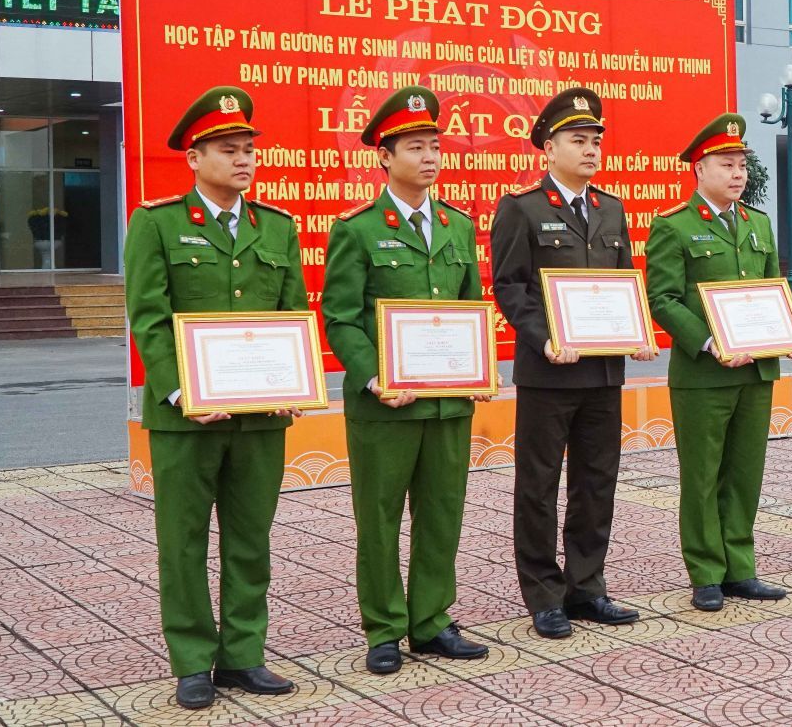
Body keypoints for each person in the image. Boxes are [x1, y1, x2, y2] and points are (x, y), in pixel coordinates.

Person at [125, 86, 304, 709]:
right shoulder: (157, 223)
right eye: (228, 149)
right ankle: (192, 661)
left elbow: (291, 314)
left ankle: (243, 655)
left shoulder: (276, 226)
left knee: (251, 539)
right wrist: (181, 391)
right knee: (183, 541)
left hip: (259, 416)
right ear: (194, 158)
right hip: (186, 417)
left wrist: (293, 381)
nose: (243, 159)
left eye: (248, 148)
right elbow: (149, 317)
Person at [322, 86, 491, 675]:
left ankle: (432, 620)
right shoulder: (359, 229)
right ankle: (384, 628)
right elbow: (340, 317)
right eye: (415, 146)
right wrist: (373, 377)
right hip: (385, 405)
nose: (429, 156)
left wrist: (479, 367)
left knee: (442, 514)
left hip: (447, 402)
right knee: (380, 517)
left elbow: (471, 307)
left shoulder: (457, 226)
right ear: (385, 157)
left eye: (434, 145)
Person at [489, 88, 655, 639]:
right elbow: (510, 287)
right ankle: (544, 595)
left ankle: (587, 586)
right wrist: (544, 339)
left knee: (596, 482)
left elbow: (623, 282)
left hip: (603, 372)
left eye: (595, 142)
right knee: (538, 486)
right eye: (578, 141)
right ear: (549, 148)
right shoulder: (522, 208)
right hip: (549, 372)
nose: (590, 150)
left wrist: (637, 332)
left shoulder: (611, 208)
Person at [644, 114, 792, 612]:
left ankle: (741, 567)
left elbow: (771, 292)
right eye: (726, 165)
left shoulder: (757, 223)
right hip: (704, 373)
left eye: (741, 165)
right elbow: (663, 298)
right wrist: (709, 341)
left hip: (756, 369)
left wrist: (791, 331)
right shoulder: (674, 225)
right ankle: (706, 572)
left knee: (744, 473)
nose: (738, 174)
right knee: (702, 477)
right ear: (699, 168)